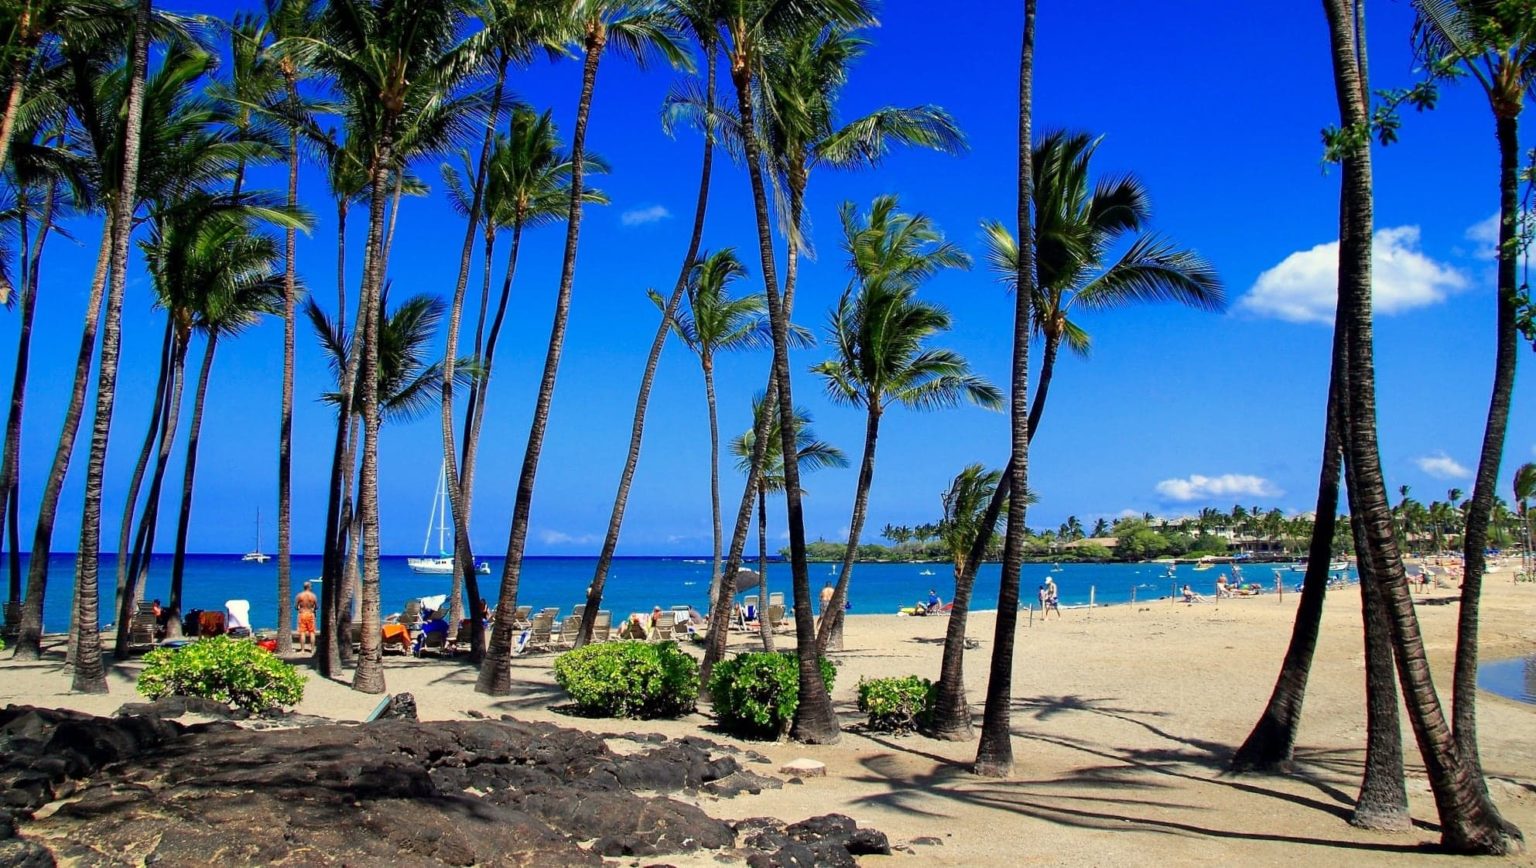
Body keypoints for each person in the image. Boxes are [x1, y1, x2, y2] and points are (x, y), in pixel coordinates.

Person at [295, 582, 318, 654]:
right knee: (312, 632)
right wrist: (312, 608)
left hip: (302, 614)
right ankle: (312, 650)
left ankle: (302, 650)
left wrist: (300, 608)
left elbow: (296, 607)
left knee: (302, 633)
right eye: (311, 586)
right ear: (309, 587)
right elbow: (316, 607)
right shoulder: (313, 596)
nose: (312, 588)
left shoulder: (299, 595)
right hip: (311, 614)